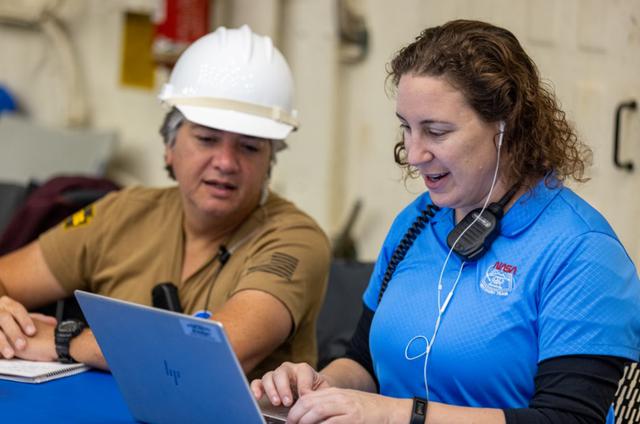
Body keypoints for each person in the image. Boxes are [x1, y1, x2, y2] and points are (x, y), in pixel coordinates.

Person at [251, 20, 640, 423]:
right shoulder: (418, 220)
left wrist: (400, 415)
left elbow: (569, 419)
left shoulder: (582, 251)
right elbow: (364, 361)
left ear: (504, 125)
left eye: (436, 132)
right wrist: (315, 389)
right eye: (407, 128)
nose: (414, 153)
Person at [0, 25, 330, 380]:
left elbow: (210, 356)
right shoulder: (121, 212)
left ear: (270, 161)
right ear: (169, 147)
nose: (226, 162)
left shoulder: (296, 239)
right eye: (206, 139)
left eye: (250, 147)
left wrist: (65, 341)